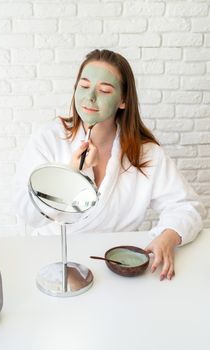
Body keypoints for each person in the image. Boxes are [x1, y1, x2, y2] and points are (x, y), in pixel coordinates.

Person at [13, 49, 205, 281]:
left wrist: (169, 236)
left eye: (104, 90)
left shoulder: (146, 154)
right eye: (83, 86)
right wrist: (70, 174)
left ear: (123, 100)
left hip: (113, 266)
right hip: (52, 261)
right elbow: (27, 213)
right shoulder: (48, 139)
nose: (90, 96)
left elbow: (187, 206)